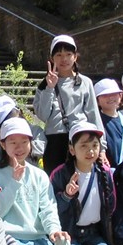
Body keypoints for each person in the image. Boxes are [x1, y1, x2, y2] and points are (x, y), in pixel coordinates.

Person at [0, 118, 70, 245]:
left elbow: (48, 208)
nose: (19, 147)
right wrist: (14, 183)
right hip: (11, 239)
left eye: (24, 142)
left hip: (39, 238)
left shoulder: (39, 175)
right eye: (13, 142)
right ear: (2, 144)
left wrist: (54, 230)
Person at [49, 122, 119, 245]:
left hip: (94, 234)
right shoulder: (60, 173)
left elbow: (111, 206)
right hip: (70, 234)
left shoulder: (105, 173)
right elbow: (50, 209)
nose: (90, 151)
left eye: (95, 145)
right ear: (72, 149)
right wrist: (66, 196)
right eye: (84, 146)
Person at [34, 34, 104, 174]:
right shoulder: (43, 85)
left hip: (81, 137)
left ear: (75, 57)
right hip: (55, 141)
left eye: (68, 54)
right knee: (57, 184)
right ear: (52, 58)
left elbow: (93, 115)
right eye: (59, 55)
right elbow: (42, 116)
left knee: (83, 181)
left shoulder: (85, 82)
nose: (64, 59)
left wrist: (102, 147)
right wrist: (49, 88)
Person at [0, 95, 45, 166]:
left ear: (19, 112)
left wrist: (17, 148)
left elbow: (42, 147)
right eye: (7, 121)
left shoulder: (35, 130)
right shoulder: (2, 137)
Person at [94, 78, 123, 169]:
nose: (110, 98)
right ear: (97, 100)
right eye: (105, 95)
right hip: (105, 170)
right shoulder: (96, 121)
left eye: (114, 94)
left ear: (120, 96)